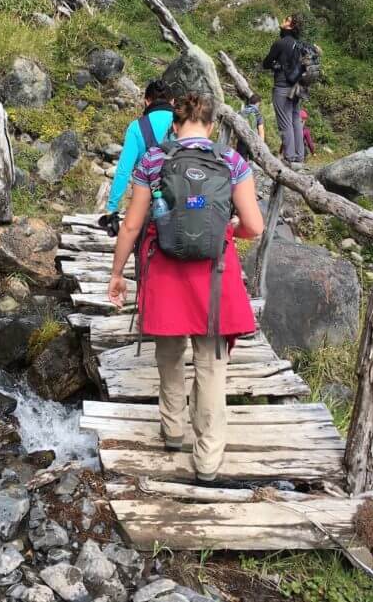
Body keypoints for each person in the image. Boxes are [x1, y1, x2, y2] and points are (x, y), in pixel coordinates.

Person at [107, 92, 264, 483]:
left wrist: (117, 273)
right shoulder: (231, 161)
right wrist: (229, 231)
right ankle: (208, 457)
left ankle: (173, 429)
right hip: (215, 273)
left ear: (174, 125)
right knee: (211, 365)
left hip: (165, 268)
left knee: (170, 354)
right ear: (211, 126)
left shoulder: (154, 160)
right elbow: (255, 227)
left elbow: (130, 225)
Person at [97, 79, 175, 236]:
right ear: (173, 102)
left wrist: (112, 209)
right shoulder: (184, 124)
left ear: (147, 101)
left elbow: (123, 171)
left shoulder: (137, 127)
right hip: (182, 201)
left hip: (147, 203)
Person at [262, 13, 306, 164]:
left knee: (285, 122)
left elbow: (266, 63)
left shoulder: (280, 43)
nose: (282, 21)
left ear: (291, 26)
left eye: (286, 20)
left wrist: (275, 65)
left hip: (282, 88)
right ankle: (299, 157)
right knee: (295, 120)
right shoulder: (299, 44)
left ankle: (290, 158)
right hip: (296, 88)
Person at [236, 94, 265, 160]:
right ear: (258, 103)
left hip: (242, 140)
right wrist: (261, 145)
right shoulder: (258, 114)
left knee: (241, 162)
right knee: (254, 163)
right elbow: (261, 131)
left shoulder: (241, 112)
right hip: (253, 141)